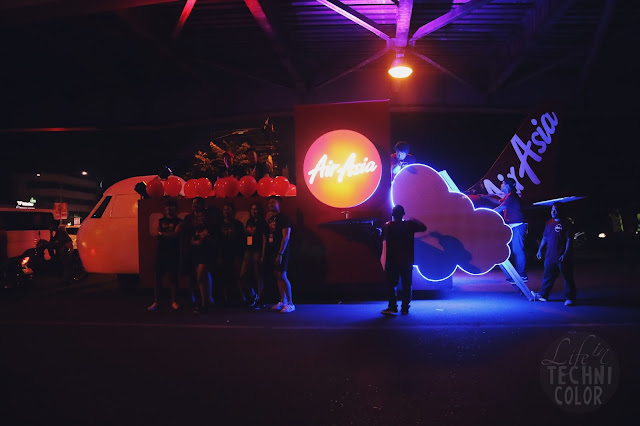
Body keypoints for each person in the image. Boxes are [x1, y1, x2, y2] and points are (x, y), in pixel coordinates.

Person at [380, 204, 427, 315]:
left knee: (391, 285)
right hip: (407, 260)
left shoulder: (388, 226)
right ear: (403, 214)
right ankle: (405, 307)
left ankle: (392, 306)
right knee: (407, 285)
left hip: (392, 260)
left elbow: (382, 238)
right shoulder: (409, 225)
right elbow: (423, 227)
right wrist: (414, 220)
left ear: (393, 214)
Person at [483, 177, 528, 283]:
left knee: (517, 250)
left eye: (502, 183)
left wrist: (484, 214)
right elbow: (498, 202)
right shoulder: (509, 196)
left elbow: (499, 208)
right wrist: (485, 197)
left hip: (517, 226)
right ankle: (516, 275)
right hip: (511, 226)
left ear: (507, 185)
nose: (501, 185)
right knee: (509, 249)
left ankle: (522, 275)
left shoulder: (511, 196)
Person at [531, 202, 576, 306]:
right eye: (552, 210)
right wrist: (540, 250)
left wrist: (565, 253)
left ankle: (570, 298)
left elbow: (569, 240)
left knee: (567, 277)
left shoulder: (567, 223)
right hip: (550, 255)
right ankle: (543, 295)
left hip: (562, 256)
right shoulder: (549, 223)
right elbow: (545, 237)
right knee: (548, 276)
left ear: (561, 211)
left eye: (555, 210)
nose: (553, 212)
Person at [180, 197, 218, 314]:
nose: (194, 205)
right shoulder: (189, 218)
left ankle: (205, 302)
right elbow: (186, 234)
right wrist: (192, 242)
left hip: (206, 250)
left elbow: (212, 232)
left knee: (201, 276)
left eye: (197, 203)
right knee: (201, 277)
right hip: (194, 250)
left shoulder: (209, 217)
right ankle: (205, 300)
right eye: (193, 203)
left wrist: (204, 238)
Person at [148, 198, 183, 312]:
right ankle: (156, 301)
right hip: (161, 251)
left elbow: (176, 234)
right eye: (167, 206)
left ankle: (174, 301)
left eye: (171, 206)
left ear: (175, 208)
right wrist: (167, 234)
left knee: (173, 277)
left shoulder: (180, 221)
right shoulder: (160, 220)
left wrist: (163, 234)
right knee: (157, 277)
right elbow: (155, 233)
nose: (168, 208)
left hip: (174, 251)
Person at [265, 195, 294, 313]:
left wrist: (280, 253)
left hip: (282, 250)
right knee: (277, 275)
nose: (272, 204)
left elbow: (286, 237)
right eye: (270, 203)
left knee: (282, 275)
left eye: (274, 202)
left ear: (278, 204)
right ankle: (283, 301)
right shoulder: (270, 218)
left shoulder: (284, 217)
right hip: (273, 250)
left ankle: (291, 303)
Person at [215, 201, 245, 306]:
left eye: (228, 209)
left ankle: (242, 297)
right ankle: (225, 298)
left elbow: (243, 240)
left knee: (238, 276)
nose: (226, 211)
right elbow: (217, 240)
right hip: (223, 254)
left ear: (233, 211)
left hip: (236, 253)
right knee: (224, 277)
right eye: (224, 209)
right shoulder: (219, 224)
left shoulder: (238, 224)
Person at [239, 202, 267, 308]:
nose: (254, 211)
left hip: (257, 250)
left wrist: (263, 255)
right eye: (252, 209)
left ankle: (261, 299)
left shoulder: (262, 223)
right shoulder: (249, 221)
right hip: (248, 250)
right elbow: (247, 236)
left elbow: (264, 240)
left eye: (256, 209)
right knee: (242, 275)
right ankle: (253, 295)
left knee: (258, 275)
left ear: (259, 210)